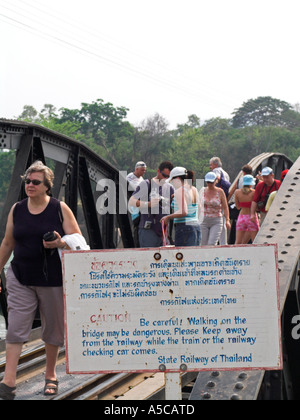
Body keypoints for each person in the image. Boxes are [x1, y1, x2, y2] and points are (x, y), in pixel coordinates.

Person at [0, 161, 82, 400]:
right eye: (27, 181)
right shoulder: (17, 209)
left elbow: (77, 237)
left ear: (47, 186)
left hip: (52, 278)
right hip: (20, 275)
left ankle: (50, 375)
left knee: (52, 328)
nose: (30, 185)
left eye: (36, 182)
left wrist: (59, 243)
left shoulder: (59, 208)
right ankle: (9, 381)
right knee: (16, 326)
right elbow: (7, 243)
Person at [129, 161, 174, 248]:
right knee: (147, 258)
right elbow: (132, 201)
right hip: (148, 230)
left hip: (163, 231)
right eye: (164, 176)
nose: (166, 179)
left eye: (169, 177)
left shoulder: (170, 188)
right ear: (158, 171)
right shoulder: (146, 184)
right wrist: (148, 204)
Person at [160, 167, 201, 247]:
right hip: (196, 226)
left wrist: (168, 217)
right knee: (194, 256)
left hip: (184, 227)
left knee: (183, 256)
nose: (172, 183)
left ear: (178, 178)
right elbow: (198, 207)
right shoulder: (193, 189)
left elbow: (183, 211)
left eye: (172, 181)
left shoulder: (180, 191)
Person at [200, 172, 231, 246]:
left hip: (216, 220)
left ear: (216, 181)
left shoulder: (220, 191)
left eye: (211, 182)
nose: (210, 184)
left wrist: (227, 220)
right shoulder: (202, 190)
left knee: (212, 243)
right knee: (202, 243)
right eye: (208, 182)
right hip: (204, 219)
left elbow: (225, 207)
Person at [209, 157, 231, 245]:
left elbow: (217, 178)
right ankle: (223, 242)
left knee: (217, 221)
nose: (210, 167)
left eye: (211, 165)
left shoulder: (216, 171)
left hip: (217, 199)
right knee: (222, 220)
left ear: (215, 164)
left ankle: (219, 243)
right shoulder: (225, 173)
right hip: (224, 198)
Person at [127, 161, 147, 247]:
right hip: (134, 208)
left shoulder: (141, 179)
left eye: (145, 170)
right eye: (142, 170)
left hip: (140, 208)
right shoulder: (130, 178)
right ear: (137, 169)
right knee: (137, 226)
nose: (144, 172)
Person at [235, 175, 260, 244]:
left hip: (241, 217)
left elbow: (238, 207)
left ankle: (236, 254)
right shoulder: (254, 192)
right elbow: (256, 207)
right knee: (255, 241)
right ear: (251, 184)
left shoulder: (237, 192)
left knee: (238, 241)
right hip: (252, 217)